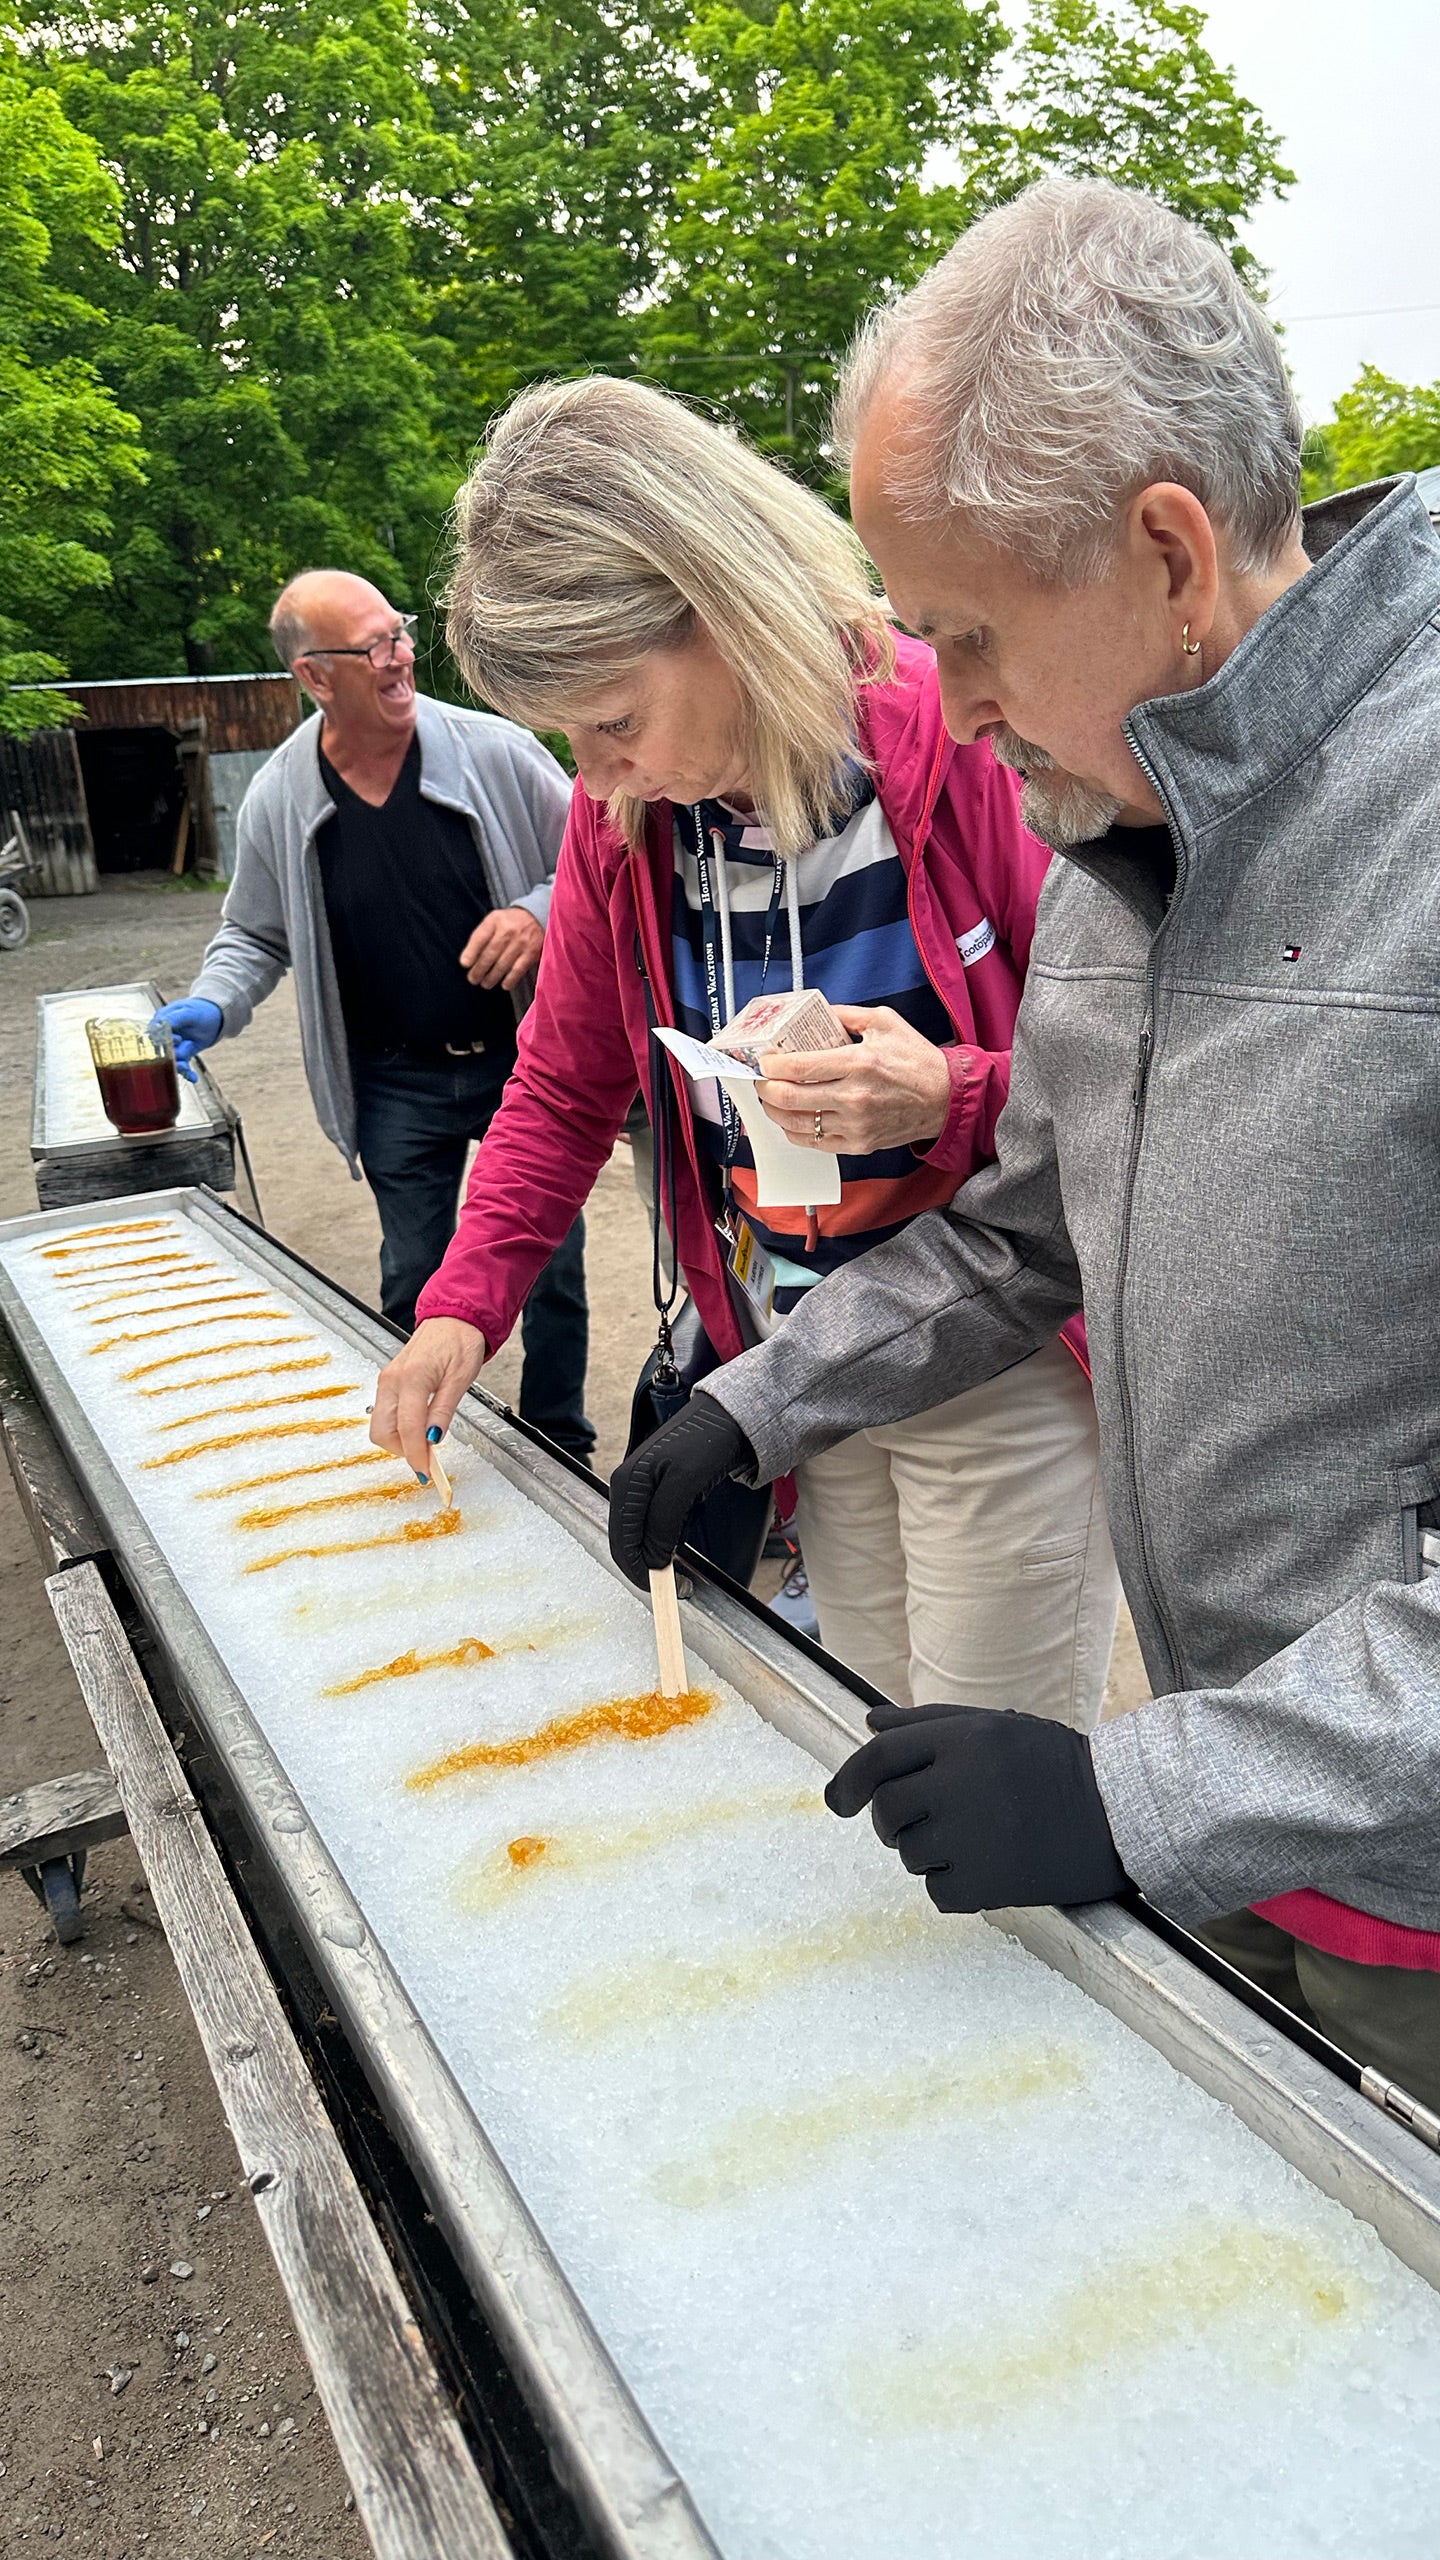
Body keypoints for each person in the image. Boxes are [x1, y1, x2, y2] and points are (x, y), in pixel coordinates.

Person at [609, 176, 1440, 2112]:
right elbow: (1022, 1235)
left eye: (970, 636)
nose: (951, 708)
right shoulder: (1110, 806)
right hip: (1252, 1840)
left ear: (1165, 550)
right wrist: (761, 1397)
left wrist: (1128, 1783)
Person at [369, 375, 1121, 1728]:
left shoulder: (966, 741)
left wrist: (945, 1091)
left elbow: (1133, 1080)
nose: (596, 778)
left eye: (614, 721)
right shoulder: (628, 829)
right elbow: (559, 1081)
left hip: (996, 1361)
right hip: (795, 1359)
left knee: (988, 1765)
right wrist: (459, 1301)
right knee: (865, 1730)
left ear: (723, 612)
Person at [154, 569, 594, 1461]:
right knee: (413, 1273)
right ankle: (438, 1437)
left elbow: (597, 861)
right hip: (393, 1078)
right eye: (376, 646)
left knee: (548, 1268)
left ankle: (560, 1441)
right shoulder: (282, 796)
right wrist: (212, 1002)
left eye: (400, 633)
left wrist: (537, 915)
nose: (402, 658)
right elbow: (253, 931)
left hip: (522, 1065)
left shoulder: (497, 752)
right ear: (316, 676)